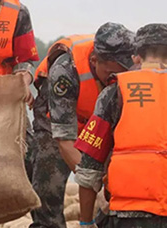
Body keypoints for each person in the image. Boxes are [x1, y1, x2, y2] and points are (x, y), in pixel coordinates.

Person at [30, 23, 135, 228]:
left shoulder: (131, 70)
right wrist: (90, 178)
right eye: (113, 73)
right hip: (57, 120)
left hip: (98, 122)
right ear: (95, 61)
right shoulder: (65, 70)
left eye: (125, 72)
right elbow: (64, 140)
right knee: (49, 182)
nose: (118, 78)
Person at [74, 23, 167, 228]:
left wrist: (85, 222)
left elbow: (89, 170)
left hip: (128, 215)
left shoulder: (115, 92)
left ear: (135, 58)